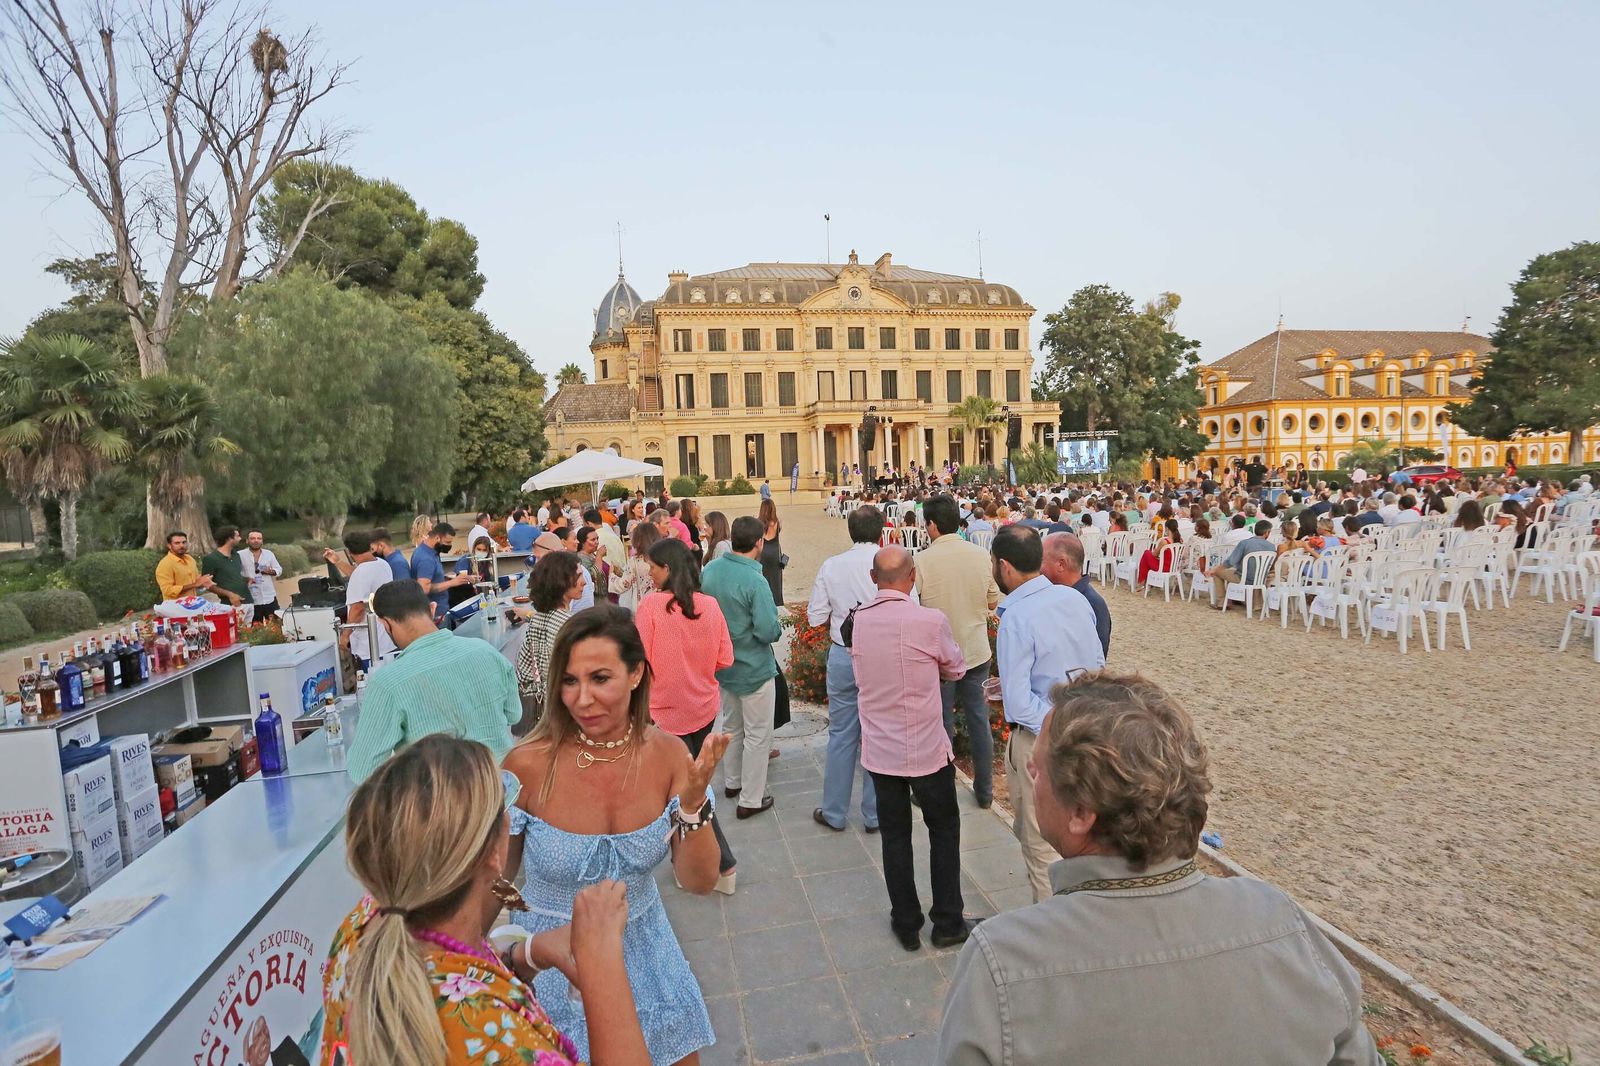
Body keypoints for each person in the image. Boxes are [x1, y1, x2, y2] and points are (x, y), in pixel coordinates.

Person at [937, 673, 1380, 1066]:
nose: (1030, 769)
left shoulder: (1004, 961)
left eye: (1040, 767)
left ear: (1081, 812)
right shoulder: (1279, 918)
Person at [321, 735, 651, 1066]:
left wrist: (525, 955)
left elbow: (450, 973)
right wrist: (602, 967)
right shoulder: (499, 1044)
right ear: (494, 851)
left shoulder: (365, 925)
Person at [504, 606, 728, 1064]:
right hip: (552, 959)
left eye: (600, 678)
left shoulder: (668, 755)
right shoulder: (527, 764)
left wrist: (692, 806)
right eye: (570, 681)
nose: (582, 699)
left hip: (647, 952)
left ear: (636, 673)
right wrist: (516, 946)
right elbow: (495, 883)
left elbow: (700, 881)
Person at [851, 546, 973, 951]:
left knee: (895, 835)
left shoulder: (859, 621)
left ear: (873, 579)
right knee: (944, 830)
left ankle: (906, 921)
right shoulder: (929, 621)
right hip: (925, 747)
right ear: (913, 576)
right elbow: (956, 667)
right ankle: (948, 921)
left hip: (881, 750)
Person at [991, 525, 1106, 901]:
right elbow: (1097, 666)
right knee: (1079, 839)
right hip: (1085, 730)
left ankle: (1052, 929)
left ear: (1004, 567)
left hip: (1040, 740)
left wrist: (1059, 721)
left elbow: (1019, 703)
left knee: (1041, 850)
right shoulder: (1074, 599)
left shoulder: (1016, 616)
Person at [636, 537, 738, 893]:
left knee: (685, 791)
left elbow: (639, 662)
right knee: (689, 786)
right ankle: (696, 860)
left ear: (667, 568)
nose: (648, 572)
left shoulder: (651, 606)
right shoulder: (709, 605)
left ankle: (720, 864)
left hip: (664, 712)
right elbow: (725, 658)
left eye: (652, 566)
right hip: (703, 705)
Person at [347, 580, 522, 783]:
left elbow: (362, 770)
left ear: (385, 624)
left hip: (444, 798)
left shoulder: (388, 683)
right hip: (502, 789)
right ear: (432, 608)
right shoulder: (486, 651)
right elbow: (514, 714)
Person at [914, 496, 1001, 808]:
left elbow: (914, 606)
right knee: (979, 721)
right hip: (975, 651)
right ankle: (985, 791)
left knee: (940, 723)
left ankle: (942, 789)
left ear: (932, 525)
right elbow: (992, 601)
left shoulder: (922, 561)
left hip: (939, 656)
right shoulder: (980, 555)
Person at [807, 505, 889, 833]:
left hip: (844, 652)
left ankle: (834, 812)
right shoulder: (892, 562)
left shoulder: (832, 565)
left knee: (841, 734)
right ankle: (875, 814)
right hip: (881, 656)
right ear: (881, 530)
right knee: (878, 733)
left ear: (850, 531)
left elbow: (815, 616)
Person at [702, 515, 782, 820]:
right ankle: (750, 798)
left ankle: (733, 782)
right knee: (758, 735)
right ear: (759, 543)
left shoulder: (710, 570)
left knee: (732, 726)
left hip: (723, 664)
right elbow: (767, 630)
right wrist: (775, 629)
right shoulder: (755, 580)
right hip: (753, 666)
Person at [515, 552, 585, 731]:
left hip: (539, 710)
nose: (584, 582)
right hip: (562, 712)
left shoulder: (539, 617)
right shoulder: (570, 625)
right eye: (578, 576)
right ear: (561, 582)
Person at [1041, 533, 1110, 657]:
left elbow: (1094, 660)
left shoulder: (1091, 604)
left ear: (1061, 564)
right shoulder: (1057, 594)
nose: (1036, 568)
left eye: (1041, 561)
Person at [342, 528, 397, 671]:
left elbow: (358, 609)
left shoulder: (360, 573)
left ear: (349, 552)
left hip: (369, 646)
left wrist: (345, 635)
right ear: (370, 546)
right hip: (389, 638)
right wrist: (337, 561)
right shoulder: (383, 564)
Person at [410, 522, 473, 622]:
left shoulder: (430, 552)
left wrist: (447, 577)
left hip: (440, 611)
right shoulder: (426, 558)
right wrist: (452, 582)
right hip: (436, 615)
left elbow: (430, 577)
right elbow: (424, 588)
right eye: (447, 542)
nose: (449, 545)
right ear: (437, 538)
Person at [1208, 520, 1276, 608]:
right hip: (1261, 578)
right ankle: (1236, 598)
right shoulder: (1271, 546)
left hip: (1243, 578)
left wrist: (1215, 569)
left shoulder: (1244, 543)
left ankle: (1222, 601)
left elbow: (1231, 562)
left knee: (1217, 572)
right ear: (1267, 532)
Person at [200, 526, 250, 614]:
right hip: (228, 605)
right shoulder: (211, 559)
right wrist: (229, 594)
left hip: (248, 602)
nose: (240, 538)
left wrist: (246, 579)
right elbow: (207, 584)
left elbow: (231, 575)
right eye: (237, 536)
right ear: (229, 539)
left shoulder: (236, 555)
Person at [614, 520, 662, 613]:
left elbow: (623, 584)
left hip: (642, 604)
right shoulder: (663, 558)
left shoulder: (635, 561)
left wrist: (612, 576)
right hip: (661, 601)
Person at [240, 531, 283, 625]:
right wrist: (246, 579)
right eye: (253, 538)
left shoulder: (269, 554)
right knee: (254, 629)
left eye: (259, 538)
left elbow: (279, 569)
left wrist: (271, 571)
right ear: (247, 541)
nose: (256, 541)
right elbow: (235, 574)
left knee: (276, 626)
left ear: (262, 541)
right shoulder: (240, 555)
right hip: (251, 599)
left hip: (269, 597)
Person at [156, 530, 213, 601]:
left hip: (192, 603)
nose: (182, 545)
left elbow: (196, 579)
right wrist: (195, 584)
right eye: (177, 543)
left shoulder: (190, 559)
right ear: (169, 546)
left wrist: (205, 580)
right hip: (175, 606)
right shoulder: (165, 564)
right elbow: (168, 590)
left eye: (184, 542)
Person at [1134, 518, 1181, 589]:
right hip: (1173, 567)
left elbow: (1154, 554)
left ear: (1167, 528)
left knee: (1147, 553)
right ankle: (1148, 582)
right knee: (1148, 558)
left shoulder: (1165, 541)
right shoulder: (1179, 540)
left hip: (1164, 568)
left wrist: (1154, 553)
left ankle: (1142, 582)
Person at [758, 497, 784, 606]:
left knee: (763, 578)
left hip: (763, 551)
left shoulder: (758, 523)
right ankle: (777, 603)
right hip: (774, 552)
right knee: (776, 580)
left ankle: (764, 603)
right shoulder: (778, 522)